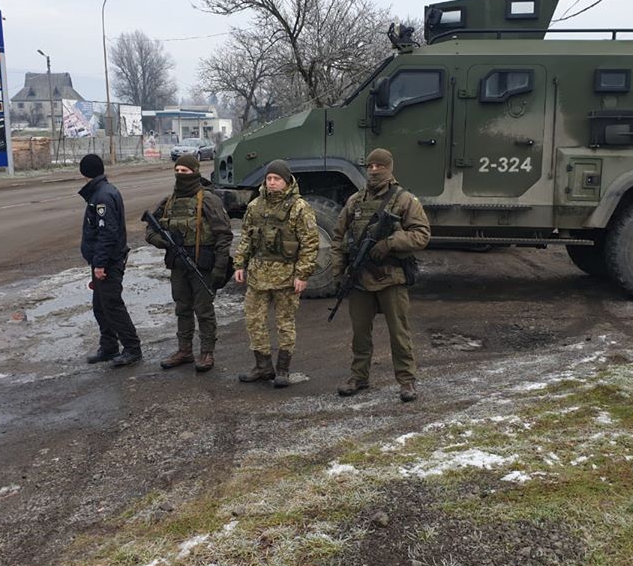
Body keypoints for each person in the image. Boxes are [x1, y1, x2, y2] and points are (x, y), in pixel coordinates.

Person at [330, 148, 430, 402]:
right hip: (360, 278)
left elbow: (422, 234)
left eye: (380, 166)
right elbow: (338, 238)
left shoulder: (404, 200)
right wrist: (338, 272)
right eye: (370, 166)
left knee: (399, 333)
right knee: (360, 333)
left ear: (390, 168)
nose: (374, 170)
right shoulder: (354, 201)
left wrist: (390, 243)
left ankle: (407, 381)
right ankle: (359, 377)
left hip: (392, 276)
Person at [234, 160, 319, 388]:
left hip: (286, 276)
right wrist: (239, 264)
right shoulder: (254, 207)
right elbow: (246, 238)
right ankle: (263, 367)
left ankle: (283, 369)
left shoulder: (300, 208)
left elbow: (310, 244)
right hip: (258, 276)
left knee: (285, 323)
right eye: (269, 178)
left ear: (287, 181)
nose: (272, 183)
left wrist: (302, 274)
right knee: (254, 321)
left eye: (276, 179)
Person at [145, 154, 233, 372]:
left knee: (203, 310)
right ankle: (184, 350)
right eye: (178, 170)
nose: (180, 174)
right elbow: (150, 230)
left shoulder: (209, 199)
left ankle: (206, 352)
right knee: (182, 308)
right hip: (178, 265)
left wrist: (220, 267)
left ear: (195, 172)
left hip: (202, 265)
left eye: (185, 171)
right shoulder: (169, 202)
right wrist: (163, 241)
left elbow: (224, 234)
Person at [78, 153, 142, 367]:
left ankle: (132, 348)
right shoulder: (100, 192)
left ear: (84, 172)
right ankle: (109, 347)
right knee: (100, 306)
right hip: (103, 260)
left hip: (108, 262)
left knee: (112, 306)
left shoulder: (102, 196)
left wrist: (100, 264)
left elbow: (107, 233)